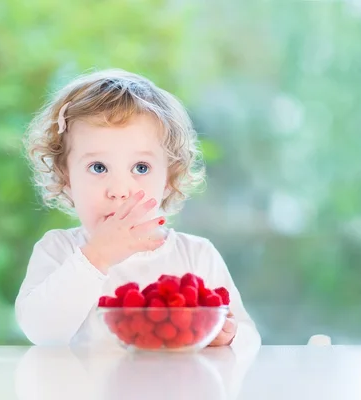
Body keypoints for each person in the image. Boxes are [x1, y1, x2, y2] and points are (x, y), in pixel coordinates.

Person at [15, 68, 260, 348]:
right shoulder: (58, 250)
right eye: (98, 167)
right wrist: (95, 257)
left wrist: (226, 336)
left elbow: (249, 339)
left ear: (169, 179)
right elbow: (40, 332)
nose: (119, 191)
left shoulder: (196, 255)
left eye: (140, 168)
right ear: (66, 178)